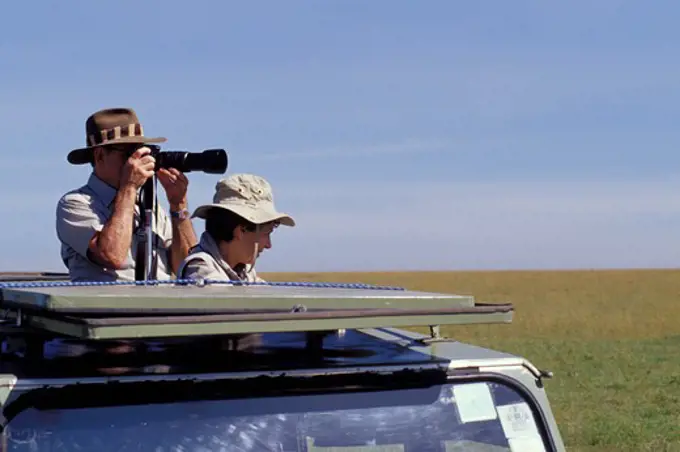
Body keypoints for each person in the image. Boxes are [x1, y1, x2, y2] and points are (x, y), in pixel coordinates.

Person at [56, 107, 198, 282]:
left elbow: (187, 267)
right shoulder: (74, 203)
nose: (139, 160)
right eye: (130, 153)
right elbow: (111, 255)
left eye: (143, 151)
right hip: (104, 307)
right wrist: (129, 186)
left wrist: (178, 205)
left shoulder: (150, 208)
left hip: (160, 306)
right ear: (99, 155)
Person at [177, 173, 295, 282]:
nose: (269, 245)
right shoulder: (200, 269)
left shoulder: (244, 271)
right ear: (241, 230)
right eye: (266, 233)